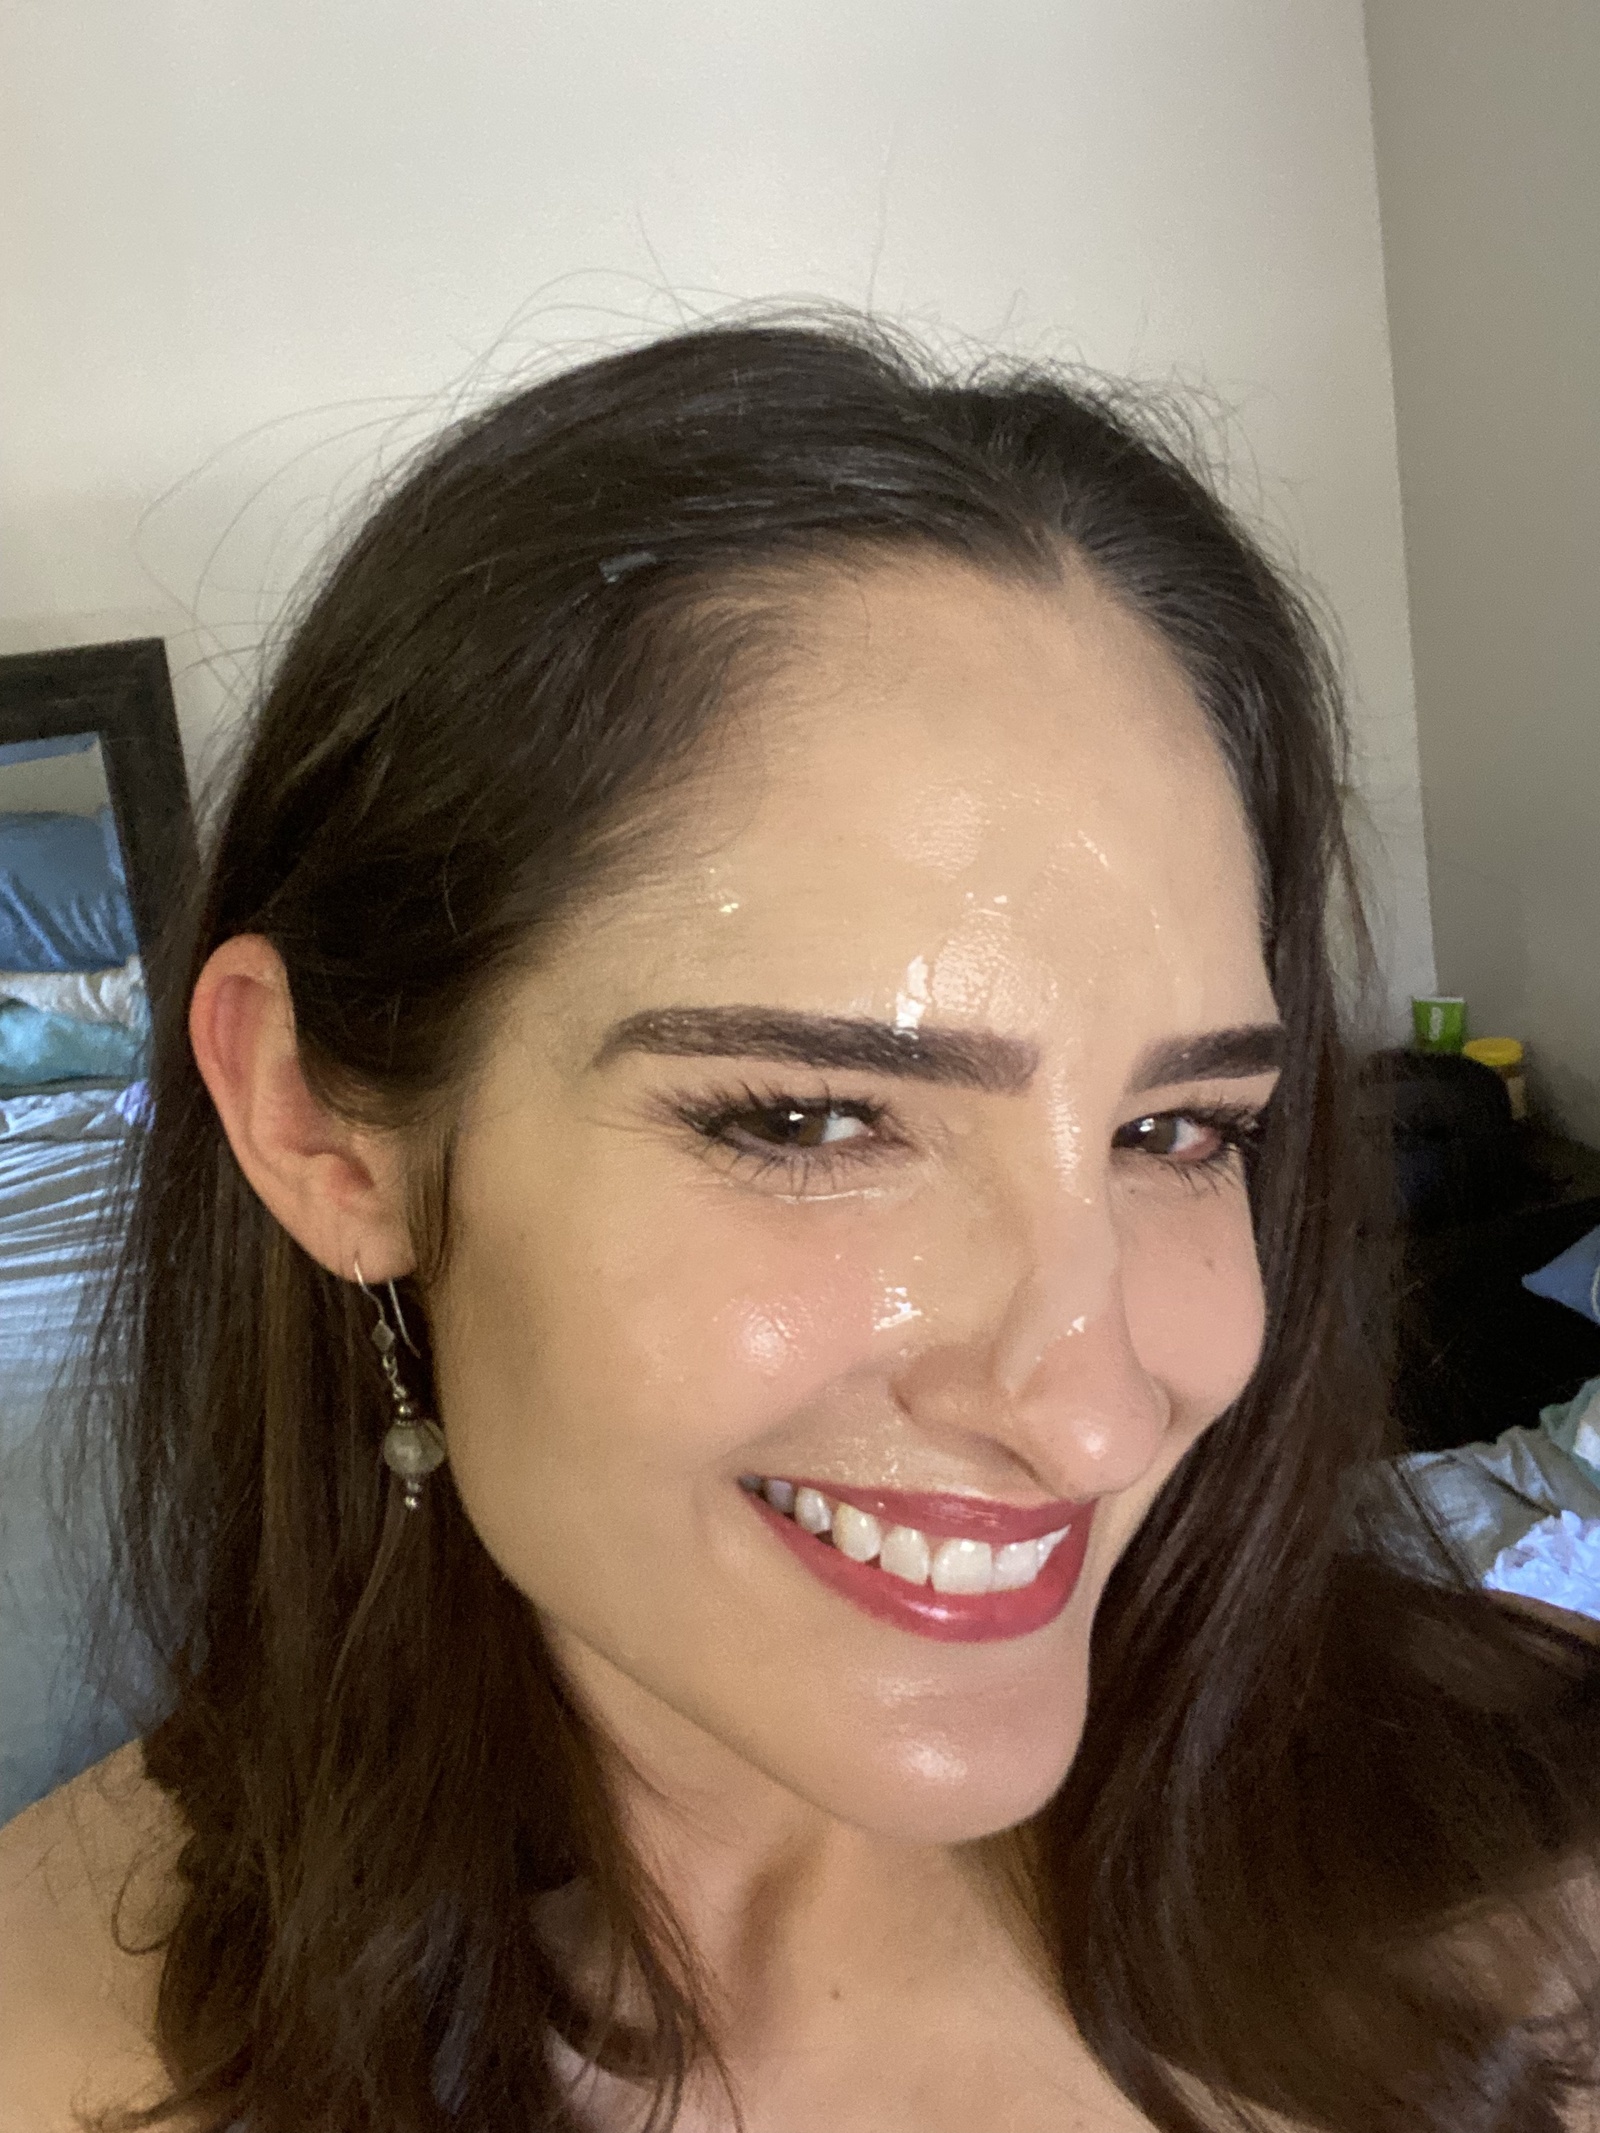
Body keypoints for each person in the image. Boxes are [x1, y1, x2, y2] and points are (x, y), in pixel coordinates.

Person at [1, 312, 1597, 2133]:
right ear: (323, 1130)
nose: (1091, 1414)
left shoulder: (1540, 1869)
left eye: (1178, 1129)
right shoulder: (65, 2053)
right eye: (811, 1117)